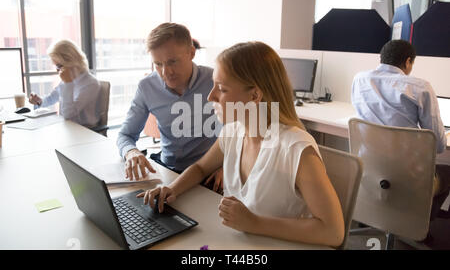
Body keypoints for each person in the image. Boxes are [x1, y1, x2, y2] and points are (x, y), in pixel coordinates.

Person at [136, 41, 345, 247]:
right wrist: (171, 189)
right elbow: (201, 168)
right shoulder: (234, 132)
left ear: (254, 95)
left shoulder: (296, 150)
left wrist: (255, 223)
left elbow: (333, 232)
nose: (210, 97)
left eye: (222, 89)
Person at [351, 39, 450, 220]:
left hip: (369, 169)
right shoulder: (420, 87)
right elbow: (438, 146)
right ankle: (420, 225)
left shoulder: (359, 79)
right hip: (409, 176)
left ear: (381, 59)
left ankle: (394, 218)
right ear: (407, 61)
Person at [117, 23, 220, 180]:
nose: (166, 72)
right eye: (158, 64)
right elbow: (125, 135)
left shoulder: (215, 81)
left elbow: (238, 133)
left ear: (191, 53)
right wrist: (131, 152)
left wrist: (226, 165)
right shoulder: (146, 87)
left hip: (207, 173)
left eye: (172, 61)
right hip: (166, 170)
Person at [28, 40, 101, 129]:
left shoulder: (90, 84)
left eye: (59, 66)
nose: (57, 70)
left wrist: (68, 83)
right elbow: (51, 98)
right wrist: (39, 101)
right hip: (67, 128)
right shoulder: (69, 80)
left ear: (70, 61)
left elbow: (68, 114)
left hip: (84, 131)